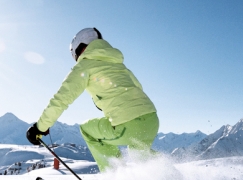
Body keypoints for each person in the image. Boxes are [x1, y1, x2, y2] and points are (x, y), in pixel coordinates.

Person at [26, 28, 159, 171]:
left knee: (87, 130)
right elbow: (137, 87)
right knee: (140, 155)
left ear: (79, 48)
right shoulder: (118, 64)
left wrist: (40, 127)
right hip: (151, 119)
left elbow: (61, 99)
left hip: (128, 124)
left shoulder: (84, 66)